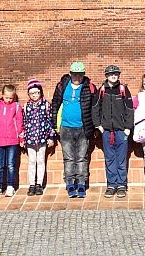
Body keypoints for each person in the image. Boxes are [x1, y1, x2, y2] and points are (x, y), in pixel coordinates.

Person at [51, 61, 97, 198]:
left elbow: (94, 108)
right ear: (70, 74)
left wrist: (94, 127)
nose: (77, 77)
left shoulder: (89, 87)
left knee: (82, 157)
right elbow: (55, 104)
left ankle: (82, 183)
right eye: (75, 74)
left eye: (80, 74)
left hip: (83, 127)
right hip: (66, 128)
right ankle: (70, 183)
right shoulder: (62, 86)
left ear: (83, 74)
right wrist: (54, 124)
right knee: (69, 158)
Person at [93, 64, 134, 198]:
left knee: (121, 159)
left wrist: (128, 127)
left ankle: (122, 184)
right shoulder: (102, 90)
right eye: (111, 74)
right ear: (106, 76)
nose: (113, 76)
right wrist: (98, 125)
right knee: (110, 159)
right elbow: (95, 108)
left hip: (121, 131)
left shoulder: (123, 90)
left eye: (116, 74)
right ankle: (111, 185)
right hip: (106, 131)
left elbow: (129, 109)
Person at [20, 78, 55, 196]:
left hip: (42, 138)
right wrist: (22, 138)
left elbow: (50, 121)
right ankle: (31, 184)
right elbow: (23, 123)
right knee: (31, 161)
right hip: (30, 138)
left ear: (40, 92)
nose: (34, 95)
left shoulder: (46, 105)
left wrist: (51, 137)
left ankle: (39, 184)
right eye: (31, 93)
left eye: (36, 92)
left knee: (40, 161)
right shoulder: (26, 106)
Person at [0, 84, 24, 198]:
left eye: (11, 98)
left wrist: (21, 137)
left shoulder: (16, 106)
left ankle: (10, 186)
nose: (9, 100)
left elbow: (19, 123)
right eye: (6, 97)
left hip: (12, 140)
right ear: (2, 95)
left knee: (11, 164)